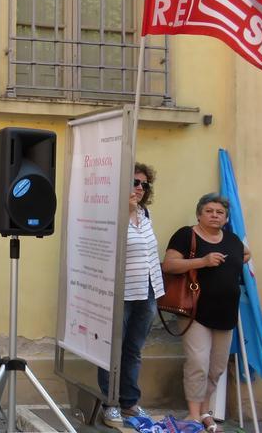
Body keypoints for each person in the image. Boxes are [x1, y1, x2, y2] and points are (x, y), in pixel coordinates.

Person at [163, 193, 250, 433]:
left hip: (226, 313)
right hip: (195, 312)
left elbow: (244, 255)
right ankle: (193, 415)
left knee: (216, 368)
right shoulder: (186, 235)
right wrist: (203, 261)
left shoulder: (232, 239)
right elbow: (169, 265)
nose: (214, 215)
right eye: (209, 211)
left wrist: (241, 259)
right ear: (199, 214)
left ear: (226, 218)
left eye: (220, 212)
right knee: (198, 363)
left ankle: (204, 412)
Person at [98, 163, 164, 427]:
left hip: (148, 289)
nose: (139, 188)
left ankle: (129, 403)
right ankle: (110, 403)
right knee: (112, 349)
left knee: (134, 349)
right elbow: (107, 248)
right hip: (121, 291)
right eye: (134, 182)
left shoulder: (145, 213)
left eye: (144, 184)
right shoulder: (111, 215)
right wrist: (124, 211)